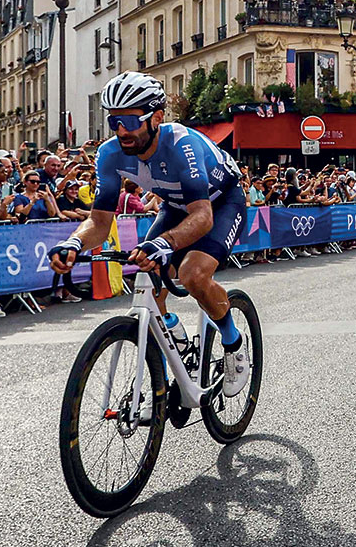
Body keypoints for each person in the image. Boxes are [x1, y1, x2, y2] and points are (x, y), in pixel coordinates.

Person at [50, 72, 252, 395]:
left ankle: (233, 341)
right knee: (148, 282)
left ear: (156, 117)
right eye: (114, 121)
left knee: (192, 274)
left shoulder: (181, 144)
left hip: (221, 202)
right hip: (174, 206)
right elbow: (99, 223)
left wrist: (166, 242)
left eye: (129, 120)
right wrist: (74, 242)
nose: (121, 131)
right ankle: (171, 341)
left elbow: (202, 216)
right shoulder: (109, 154)